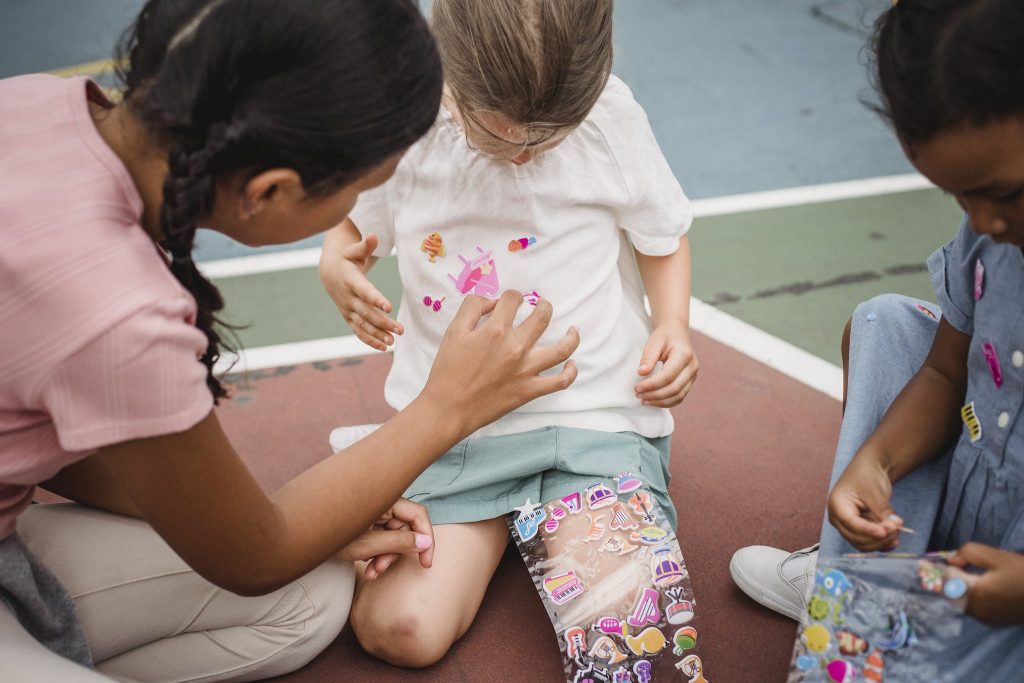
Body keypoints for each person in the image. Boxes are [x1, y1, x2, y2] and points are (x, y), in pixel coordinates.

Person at [0, 1, 581, 681]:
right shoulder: (120, 314)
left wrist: (269, 514)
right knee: (290, 566)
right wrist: (447, 406)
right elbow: (253, 557)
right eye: (363, 187)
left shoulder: (32, 104)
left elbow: (48, 432)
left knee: (312, 590)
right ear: (270, 189)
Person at [319, 0, 701, 673]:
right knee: (399, 627)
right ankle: (489, 524)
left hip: (590, 425)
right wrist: (335, 261)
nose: (524, 151)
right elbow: (350, 226)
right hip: (455, 433)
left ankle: (549, 519)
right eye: (499, 137)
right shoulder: (405, 129)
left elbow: (662, 235)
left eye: (548, 135)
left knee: (625, 625)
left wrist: (672, 323)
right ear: (452, 78)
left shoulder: (609, 118)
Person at [729, 0, 1024, 676]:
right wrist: (876, 462)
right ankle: (859, 583)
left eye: (1002, 193)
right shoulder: (989, 234)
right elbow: (947, 373)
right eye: (957, 197)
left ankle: (895, 615)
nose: (983, 220)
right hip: (971, 530)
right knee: (887, 322)